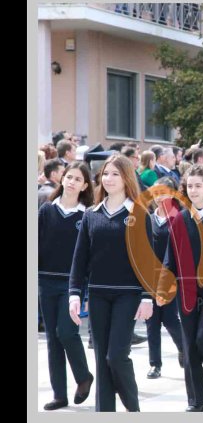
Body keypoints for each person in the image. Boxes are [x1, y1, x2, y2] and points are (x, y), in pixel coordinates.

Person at [68, 155, 152, 412]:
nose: (108, 178)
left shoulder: (139, 213)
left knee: (116, 356)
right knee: (101, 361)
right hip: (98, 295)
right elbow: (80, 259)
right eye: (105, 173)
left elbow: (148, 261)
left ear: (126, 178)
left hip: (128, 295)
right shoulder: (91, 215)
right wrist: (74, 294)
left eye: (115, 174)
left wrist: (147, 297)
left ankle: (132, 408)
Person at [160, 165, 203, 412]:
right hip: (186, 290)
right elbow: (171, 256)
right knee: (190, 346)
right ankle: (196, 401)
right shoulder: (180, 218)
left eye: (198, 185)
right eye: (189, 186)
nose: (193, 190)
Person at [39, 161, 95, 410]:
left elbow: (90, 255)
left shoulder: (87, 215)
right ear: (62, 179)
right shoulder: (47, 210)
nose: (71, 182)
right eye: (69, 177)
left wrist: (86, 288)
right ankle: (59, 395)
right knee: (52, 338)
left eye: (77, 179)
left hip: (73, 285)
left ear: (85, 186)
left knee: (67, 332)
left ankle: (83, 376)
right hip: (45, 281)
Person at [144, 177, 185, 380]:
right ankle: (155, 364)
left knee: (169, 319)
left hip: (171, 278)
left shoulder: (179, 218)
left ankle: (184, 348)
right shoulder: (149, 219)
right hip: (150, 278)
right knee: (152, 322)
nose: (159, 197)